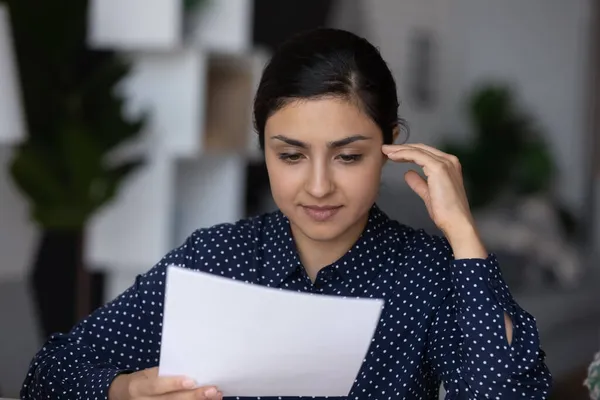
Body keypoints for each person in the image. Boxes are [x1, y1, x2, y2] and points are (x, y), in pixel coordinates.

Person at [21, 28, 552, 400]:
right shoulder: (215, 259)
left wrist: (462, 232)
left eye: (348, 156)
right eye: (291, 155)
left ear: (391, 145)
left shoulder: (429, 272)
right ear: (264, 149)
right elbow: (47, 375)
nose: (318, 186)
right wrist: (123, 389)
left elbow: (503, 394)